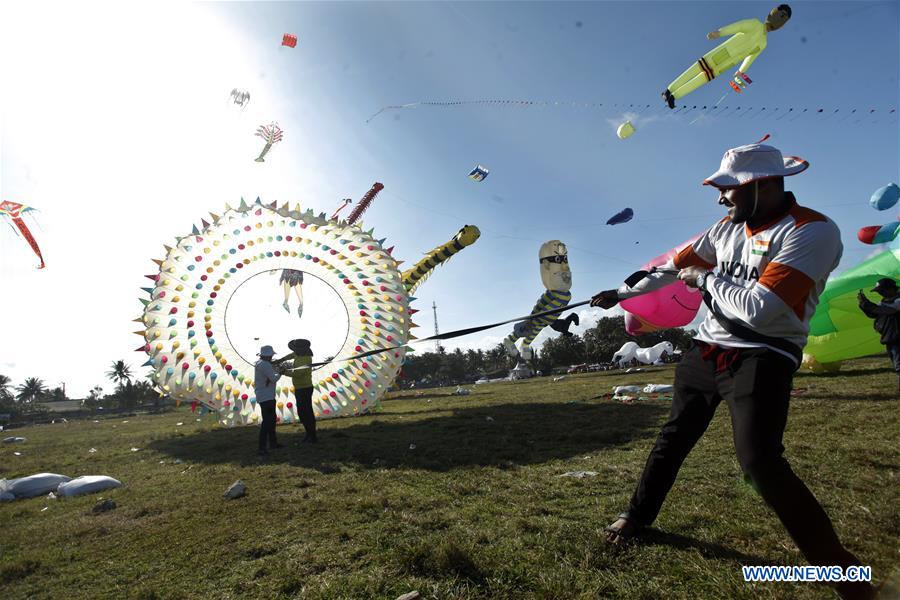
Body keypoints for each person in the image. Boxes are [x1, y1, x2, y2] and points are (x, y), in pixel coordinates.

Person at [590, 142, 875, 600]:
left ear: (760, 187)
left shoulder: (813, 232)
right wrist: (621, 292)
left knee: (760, 464)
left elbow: (761, 311)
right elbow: (670, 266)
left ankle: (847, 577)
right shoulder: (726, 228)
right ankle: (637, 517)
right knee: (674, 436)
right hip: (707, 350)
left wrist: (706, 280)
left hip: (765, 352)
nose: (721, 199)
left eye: (728, 190)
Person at [662, 5, 791, 109]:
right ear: (772, 12)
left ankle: (675, 96)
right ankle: (669, 90)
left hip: (729, 62)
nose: (780, 21)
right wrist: (720, 32)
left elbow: (751, 58)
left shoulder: (764, 43)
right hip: (721, 53)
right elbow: (738, 26)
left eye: (783, 19)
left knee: (702, 79)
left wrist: (741, 71)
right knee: (696, 69)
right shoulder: (754, 23)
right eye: (781, 15)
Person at [858, 277, 900, 391]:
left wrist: (868, 305)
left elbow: (886, 310)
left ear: (890, 289)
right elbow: (875, 313)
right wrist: (863, 305)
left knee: (899, 365)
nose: (880, 293)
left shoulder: (897, 300)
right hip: (890, 338)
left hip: (897, 339)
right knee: (897, 365)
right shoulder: (885, 301)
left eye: (881, 291)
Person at [275, 339, 317, 443]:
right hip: (300, 388)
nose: (294, 350)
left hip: (304, 388)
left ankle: (311, 435)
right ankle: (309, 434)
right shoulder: (299, 354)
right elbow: (291, 355)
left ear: (300, 349)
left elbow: (298, 374)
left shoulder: (305, 359)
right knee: (303, 412)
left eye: (295, 348)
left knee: (305, 412)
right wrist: (280, 360)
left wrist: (284, 372)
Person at [254, 345, 283, 456]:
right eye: (271, 355)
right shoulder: (265, 365)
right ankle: (262, 447)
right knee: (267, 422)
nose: (271, 357)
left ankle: (273, 443)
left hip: (265, 395)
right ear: (269, 355)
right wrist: (280, 372)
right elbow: (274, 378)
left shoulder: (260, 363)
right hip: (267, 397)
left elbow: (269, 378)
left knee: (271, 421)